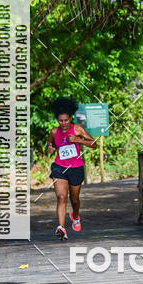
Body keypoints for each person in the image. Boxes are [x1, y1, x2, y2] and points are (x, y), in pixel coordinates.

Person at [47, 97, 97, 240]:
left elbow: (93, 144)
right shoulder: (54, 131)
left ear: (70, 119)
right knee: (61, 197)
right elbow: (50, 144)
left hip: (75, 168)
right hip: (60, 167)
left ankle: (75, 215)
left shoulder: (77, 129)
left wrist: (78, 140)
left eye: (66, 120)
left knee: (74, 200)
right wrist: (50, 148)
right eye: (60, 121)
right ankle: (61, 228)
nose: (63, 123)